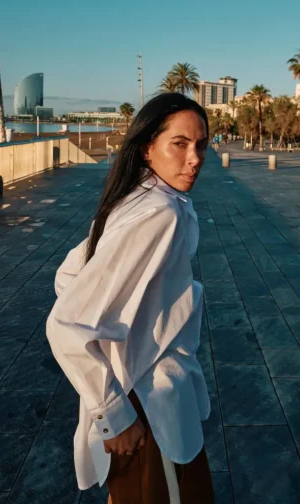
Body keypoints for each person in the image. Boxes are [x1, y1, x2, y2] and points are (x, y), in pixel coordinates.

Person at [46, 93, 215, 504]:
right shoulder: (160, 213)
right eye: (179, 144)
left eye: (201, 145)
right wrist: (114, 414)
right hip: (149, 408)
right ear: (146, 148)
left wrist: (125, 333)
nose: (194, 159)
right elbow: (66, 324)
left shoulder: (138, 197)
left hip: (145, 398)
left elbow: (69, 274)